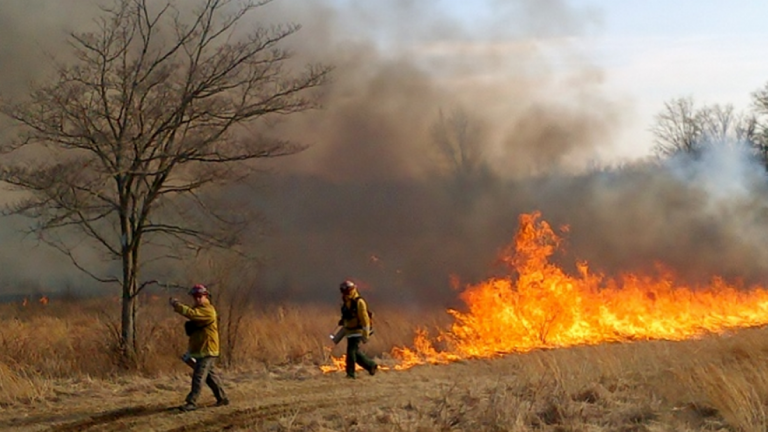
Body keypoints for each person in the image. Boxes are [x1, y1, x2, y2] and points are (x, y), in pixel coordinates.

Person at [170, 284, 229, 411]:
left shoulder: (207, 310)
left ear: (205, 296)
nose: (197, 299)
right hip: (201, 349)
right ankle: (222, 398)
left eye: (199, 296)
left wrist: (177, 305)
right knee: (209, 376)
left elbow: (191, 314)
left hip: (207, 349)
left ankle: (192, 402)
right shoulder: (200, 309)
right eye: (195, 296)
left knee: (198, 376)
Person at [338, 280, 378, 379]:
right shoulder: (346, 301)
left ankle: (350, 374)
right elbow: (347, 315)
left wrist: (366, 334)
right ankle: (371, 366)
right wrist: (343, 321)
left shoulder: (359, 302)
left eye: (345, 290)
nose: (344, 293)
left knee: (351, 351)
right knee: (355, 353)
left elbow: (365, 319)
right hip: (349, 330)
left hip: (358, 331)